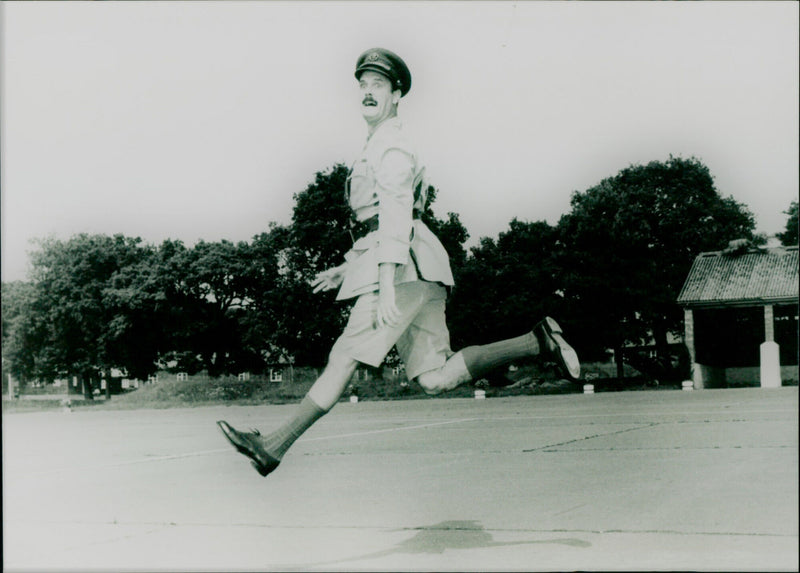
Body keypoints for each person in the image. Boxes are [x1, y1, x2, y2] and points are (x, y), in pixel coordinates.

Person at [217, 48, 580, 477]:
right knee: (434, 378)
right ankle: (537, 342)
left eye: (379, 84)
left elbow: (395, 214)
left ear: (396, 94)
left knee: (344, 356)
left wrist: (385, 282)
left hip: (402, 268)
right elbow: (378, 224)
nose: (368, 92)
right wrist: (348, 267)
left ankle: (273, 446)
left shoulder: (391, 146)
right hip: (417, 267)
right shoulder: (378, 143)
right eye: (363, 85)